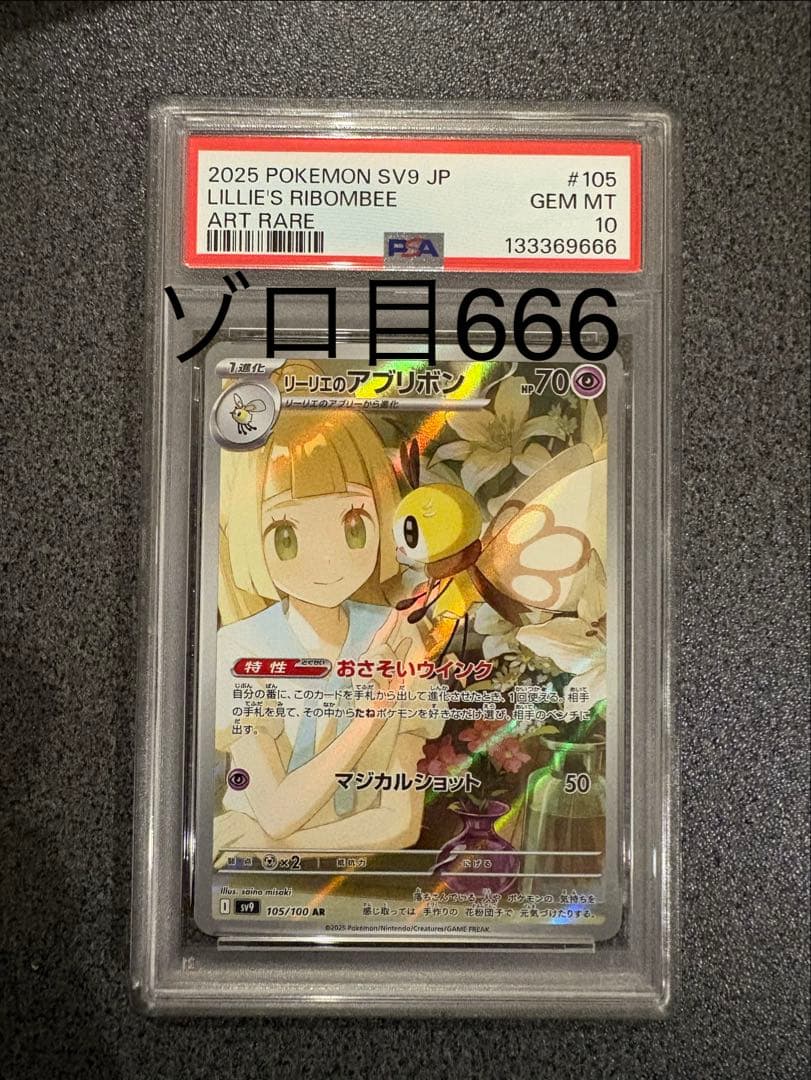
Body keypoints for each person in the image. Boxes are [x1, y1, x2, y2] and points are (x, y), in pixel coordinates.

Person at [213, 360, 442, 860]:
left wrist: (272, 846)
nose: (328, 560)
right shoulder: (241, 647)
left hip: (348, 877)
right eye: (287, 536)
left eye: (354, 524)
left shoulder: (397, 636)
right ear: (248, 537)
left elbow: (400, 823)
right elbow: (275, 812)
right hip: (248, 878)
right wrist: (370, 715)